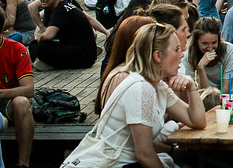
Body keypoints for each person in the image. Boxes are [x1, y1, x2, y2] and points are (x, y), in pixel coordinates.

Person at [62, 22, 206, 168]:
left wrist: (191, 87)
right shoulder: (141, 88)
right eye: (176, 50)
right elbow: (144, 155)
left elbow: (198, 122)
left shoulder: (158, 86)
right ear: (158, 56)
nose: (182, 54)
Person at [0, 4, 34, 168]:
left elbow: (29, 89)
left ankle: (23, 164)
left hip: (5, 101)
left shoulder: (16, 49)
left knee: (22, 102)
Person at [28, 0, 96, 70]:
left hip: (85, 56)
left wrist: (40, 38)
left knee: (39, 47)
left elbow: (48, 36)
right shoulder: (55, 7)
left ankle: (45, 63)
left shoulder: (61, 10)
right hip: (77, 49)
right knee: (35, 45)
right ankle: (41, 62)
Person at [182, 16, 233, 98]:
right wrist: (200, 68)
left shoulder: (230, 51)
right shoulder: (188, 57)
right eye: (205, 43)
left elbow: (226, 91)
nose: (210, 48)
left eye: (214, 42)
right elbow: (203, 96)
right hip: (203, 102)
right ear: (197, 42)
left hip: (229, 100)